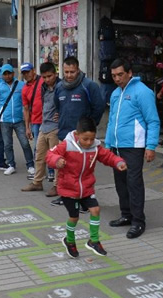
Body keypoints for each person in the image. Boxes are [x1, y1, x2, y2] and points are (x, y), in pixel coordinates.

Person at [46, 116, 127, 258]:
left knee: (95, 210)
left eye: (91, 139)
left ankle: (94, 241)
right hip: (68, 189)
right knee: (74, 217)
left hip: (87, 187)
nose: (88, 142)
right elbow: (50, 155)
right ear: (77, 135)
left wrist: (118, 162)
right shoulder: (67, 145)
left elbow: (108, 156)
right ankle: (69, 240)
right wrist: (57, 160)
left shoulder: (95, 148)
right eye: (85, 139)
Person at [105, 58, 160, 239]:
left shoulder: (142, 92)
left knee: (134, 183)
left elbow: (153, 120)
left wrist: (151, 146)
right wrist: (107, 145)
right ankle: (126, 215)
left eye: (120, 74)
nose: (117, 78)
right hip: (117, 147)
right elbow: (111, 121)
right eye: (114, 76)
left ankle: (138, 221)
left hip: (134, 147)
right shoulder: (115, 94)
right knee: (121, 183)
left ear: (129, 73)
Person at [52, 56, 105, 206]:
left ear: (78, 69)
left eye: (72, 72)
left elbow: (99, 107)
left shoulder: (89, 86)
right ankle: (65, 197)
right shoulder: (59, 87)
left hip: (82, 138)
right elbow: (58, 106)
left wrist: (89, 127)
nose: (69, 75)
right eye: (66, 72)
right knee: (64, 169)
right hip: (64, 135)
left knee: (83, 171)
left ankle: (85, 201)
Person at [21, 62, 60, 193]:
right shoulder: (43, 87)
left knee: (55, 159)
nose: (47, 79)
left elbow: (67, 105)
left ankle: (57, 185)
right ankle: (37, 182)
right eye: (44, 77)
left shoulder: (61, 87)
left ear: (55, 74)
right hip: (44, 126)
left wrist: (61, 114)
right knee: (39, 155)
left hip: (55, 129)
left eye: (50, 76)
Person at [0, 64, 34, 176]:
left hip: (19, 120)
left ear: (13, 73)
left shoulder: (21, 85)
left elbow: (26, 104)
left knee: (25, 143)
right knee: (7, 145)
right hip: (4, 120)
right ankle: (11, 165)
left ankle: (30, 165)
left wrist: (28, 122)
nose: (7, 76)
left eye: (9, 73)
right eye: (5, 74)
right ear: (2, 75)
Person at [21, 62, 52, 180]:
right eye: (24, 73)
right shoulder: (24, 89)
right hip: (35, 122)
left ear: (33, 70)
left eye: (27, 72)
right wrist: (27, 127)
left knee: (50, 147)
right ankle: (39, 172)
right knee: (37, 148)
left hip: (48, 120)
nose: (26, 75)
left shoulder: (43, 81)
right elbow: (26, 109)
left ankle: (51, 172)